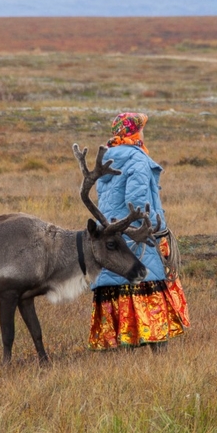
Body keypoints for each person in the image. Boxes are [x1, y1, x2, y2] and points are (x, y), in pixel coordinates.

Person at [88, 112, 190, 351]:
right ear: (134, 131)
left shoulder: (107, 157)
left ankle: (123, 343)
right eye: (141, 128)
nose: (143, 133)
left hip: (111, 240)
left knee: (116, 286)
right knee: (148, 282)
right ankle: (154, 346)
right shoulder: (137, 159)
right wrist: (159, 230)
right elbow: (138, 202)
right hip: (138, 238)